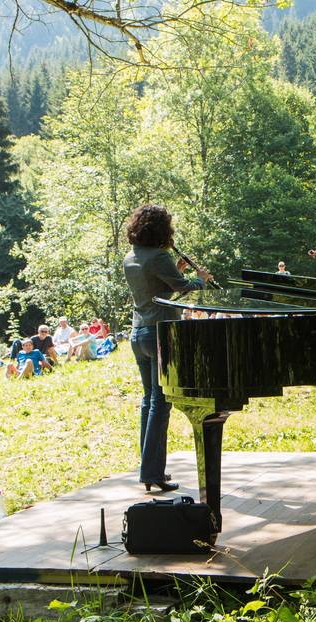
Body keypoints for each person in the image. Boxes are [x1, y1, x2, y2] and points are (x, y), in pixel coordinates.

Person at [124, 203, 211, 492]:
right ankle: (152, 472)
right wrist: (201, 279)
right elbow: (185, 288)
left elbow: (159, 288)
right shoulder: (160, 256)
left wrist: (178, 274)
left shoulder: (131, 256)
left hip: (138, 333)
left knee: (149, 400)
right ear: (162, 229)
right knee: (161, 403)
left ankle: (148, 469)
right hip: (160, 332)